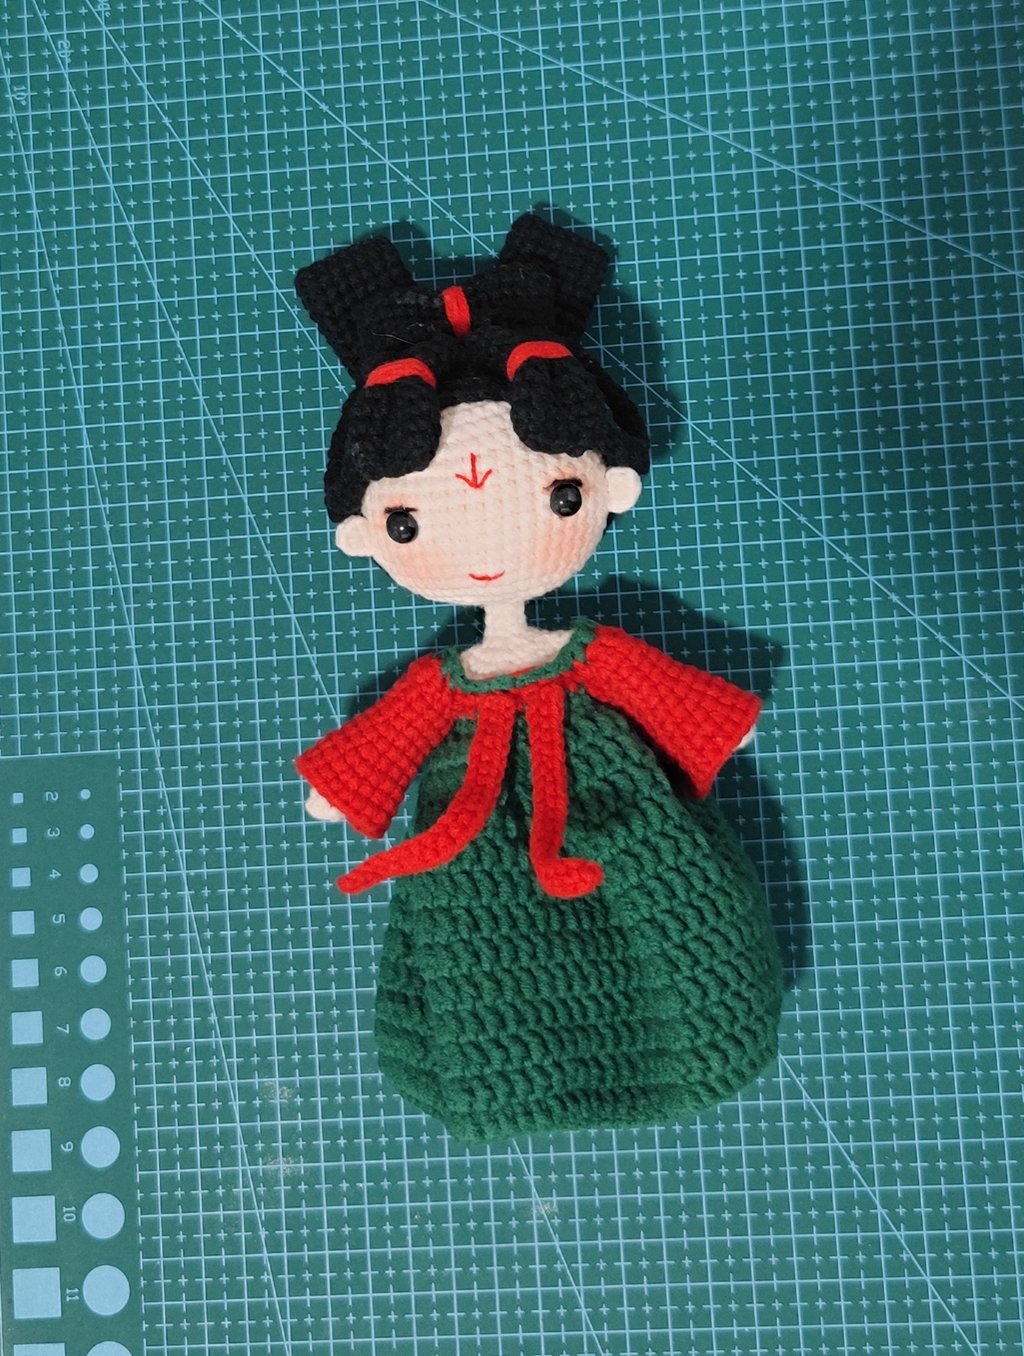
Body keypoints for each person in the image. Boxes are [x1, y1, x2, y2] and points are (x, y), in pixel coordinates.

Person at [294, 214, 783, 1141]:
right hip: (476, 831)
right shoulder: (450, 686)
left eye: (561, 496)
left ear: (606, 487)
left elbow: (686, 707)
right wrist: (345, 783)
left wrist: (710, 721)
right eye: (409, 523)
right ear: (367, 531)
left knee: (673, 917)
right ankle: (519, 1064)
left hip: (612, 815)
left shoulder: (589, 656)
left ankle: (658, 1040)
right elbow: (382, 746)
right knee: (479, 944)